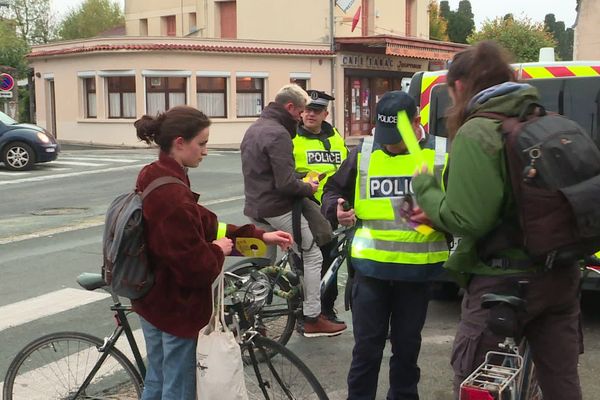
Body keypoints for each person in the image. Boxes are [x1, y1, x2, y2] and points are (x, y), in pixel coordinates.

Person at [412, 41, 583, 400]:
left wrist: (427, 188)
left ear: (459, 86)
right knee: (561, 386)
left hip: (503, 285)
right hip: (560, 276)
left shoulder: (479, 131)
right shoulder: (546, 119)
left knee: (476, 382)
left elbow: (469, 219)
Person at [132, 105, 292, 400]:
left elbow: (203, 223)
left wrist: (258, 236)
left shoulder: (156, 173)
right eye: (202, 143)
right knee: (177, 389)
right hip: (175, 306)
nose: (205, 151)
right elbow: (193, 267)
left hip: (152, 297)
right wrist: (218, 251)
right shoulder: (172, 194)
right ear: (180, 142)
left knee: (157, 379)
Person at [321, 91, 449, 400]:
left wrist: (438, 219)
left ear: (417, 122)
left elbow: (461, 211)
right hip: (370, 272)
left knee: (406, 350)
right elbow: (333, 189)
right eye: (385, 135)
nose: (389, 144)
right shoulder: (363, 151)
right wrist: (336, 208)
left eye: (397, 137)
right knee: (366, 349)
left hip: (417, 274)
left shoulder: (442, 154)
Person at [241, 84, 347, 337]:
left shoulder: (254, 128)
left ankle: (252, 320)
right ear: (290, 107)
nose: (302, 116)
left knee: (263, 265)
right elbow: (285, 183)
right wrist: (308, 186)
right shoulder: (279, 134)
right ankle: (312, 317)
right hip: (278, 207)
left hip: (255, 207)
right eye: (300, 111)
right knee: (312, 255)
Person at [292, 90, 348, 324]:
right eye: (306, 110)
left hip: (332, 207)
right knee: (305, 262)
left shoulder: (335, 136)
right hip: (306, 207)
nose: (310, 114)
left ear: (325, 113)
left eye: (316, 111)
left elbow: (345, 168)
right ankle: (302, 310)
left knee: (330, 259)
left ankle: (326, 308)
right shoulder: (292, 137)